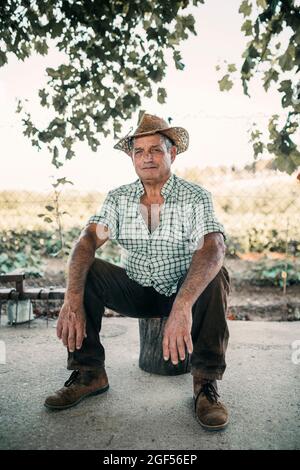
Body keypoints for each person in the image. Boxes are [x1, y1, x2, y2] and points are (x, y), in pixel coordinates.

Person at [44, 113, 231, 431]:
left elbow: (213, 246)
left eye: (156, 149)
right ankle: (89, 373)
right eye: (139, 151)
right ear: (131, 158)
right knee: (87, 270)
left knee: (217, 274)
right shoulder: (119, 199)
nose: (147, 158)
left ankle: (205, 386)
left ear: (172, 154)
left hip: (179, 288)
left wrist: (183, 304)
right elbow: (87, 239)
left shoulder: (194, 197)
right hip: (136, 288)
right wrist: (71, 297)